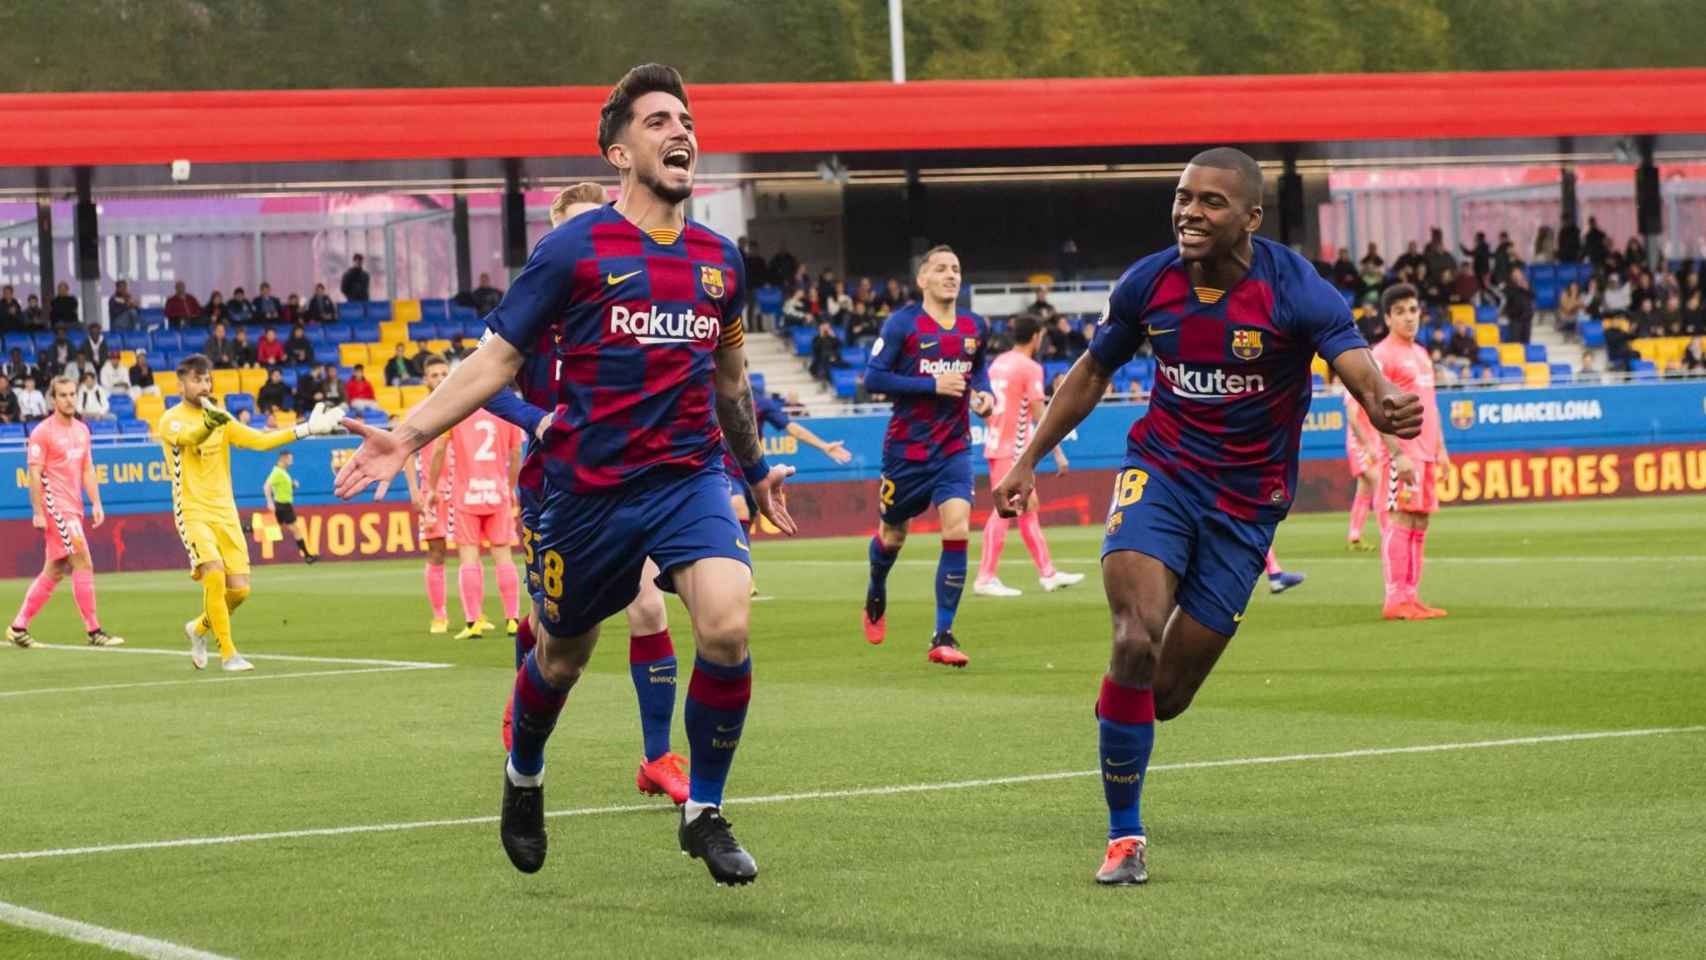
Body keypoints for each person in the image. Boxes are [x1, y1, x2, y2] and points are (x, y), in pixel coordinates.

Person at [332, 64, 793, 886]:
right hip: (586, 493)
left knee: (725, 626)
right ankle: (524, 774)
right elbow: (496, 360)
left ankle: (704, 811)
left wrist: (753, 472)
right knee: (561, 657)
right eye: (657, 122)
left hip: (688, 479)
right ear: (620, 152)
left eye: (684, 118)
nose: (679, 131)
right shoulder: (573, 249)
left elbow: (729, 384)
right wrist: (405, 436)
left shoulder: (722, 262)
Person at [989, 148, 1422, 887]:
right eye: (1183, 197)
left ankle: (1118, 714)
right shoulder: (1147, 283)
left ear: (1250, 217)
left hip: (1248, 509)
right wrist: (1026, 459)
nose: (1190, 211)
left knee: (1163, 697)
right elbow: (1092, 372)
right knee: (1133, 637)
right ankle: (1125, 838)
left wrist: (1381, 402)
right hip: (1159, 474)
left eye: (1211, 202)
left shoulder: (1296, 288)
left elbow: (1353, 362)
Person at [159, 354, 342, 672]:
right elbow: (188, 438)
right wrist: (206, 425)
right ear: (180, 384)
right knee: (214, 573)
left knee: (240, 590)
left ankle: (199, 628)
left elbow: (260, 441)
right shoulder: (171, 420)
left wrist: (306, 429)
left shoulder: (222, 418)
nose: (203, 385)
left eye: (206, 379)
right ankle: (229, 654)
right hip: (192, 510)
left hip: (225, 511)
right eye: (195, 379)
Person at [861, 245, 994, 666]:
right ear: (922, 279)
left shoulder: (976, 326)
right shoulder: (903, 325)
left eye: (956, 268)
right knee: (892, 537)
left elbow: (979, 367)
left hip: (954, 448)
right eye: (941, 269)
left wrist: (983, 394)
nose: (951, 275)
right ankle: (876, 586)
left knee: (957, 528)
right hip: (906, 452)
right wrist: (930, 386)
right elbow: (873, 377)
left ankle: (943, 635)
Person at [6, 377, 126, 649]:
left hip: (74, 507)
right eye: (63, 395)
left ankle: (18, 626)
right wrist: (38, 511)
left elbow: (87, 468)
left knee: (55, 569)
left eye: (72, 394)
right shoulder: (42, 432)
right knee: (83, 561)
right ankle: (94, 631)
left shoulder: (82, 430)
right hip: (56, 509)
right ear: (53, 400)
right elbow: (34, 474)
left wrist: (96, 502)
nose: (69, 399)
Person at [973, 312, 1080, 597]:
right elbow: (1040, 415)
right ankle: (985, 577)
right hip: (1014, 450)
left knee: (1028, 507)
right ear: (1036, 337)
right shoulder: (1029, 367)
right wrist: (1058, 452)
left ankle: (1048, 573)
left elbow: (988, 407)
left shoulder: (999, 363)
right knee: (1005, 509)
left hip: (999, 444)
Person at [1371, 285, 1451, 621]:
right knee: (1401, 519)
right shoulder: (1382, 355)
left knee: (1420, 520)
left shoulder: (1421, 353)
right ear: (1388, 317)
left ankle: (1412, 597)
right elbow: (1375, 405)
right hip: (1403, 451)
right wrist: (1396, 453)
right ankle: (1395, 598)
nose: (1409, 317)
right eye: (1400, 311)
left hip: (1426, 452)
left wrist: (1442, 450)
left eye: (1413, 310)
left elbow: (1431, 406)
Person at [430, 407, 525, 639]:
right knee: (503, 555)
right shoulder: (508, 412)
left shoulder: (458, 411)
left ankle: (473, 622)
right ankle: (512, 620)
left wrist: (432, 487)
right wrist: (511, 487)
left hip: (466, 494)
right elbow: (515, 455)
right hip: (496, 493)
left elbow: (439, 449)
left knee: (469, 556)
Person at [400, 355, 458, 634]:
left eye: (444, 374)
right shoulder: (416, 413)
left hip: (462, 488)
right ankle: (439, 615)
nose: (440, 379)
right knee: (436, 552)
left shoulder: (464, 407)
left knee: (474, 551)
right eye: (434, 375)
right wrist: (414, 489)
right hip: (431, 493)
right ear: (425, 380)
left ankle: (475, 614)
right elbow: (406, 453)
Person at [263, 450, 316, 564]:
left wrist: (293, 485)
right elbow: (267, 486)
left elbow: (282, 486)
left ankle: (308, 556)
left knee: (289, 529)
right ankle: (308, 556)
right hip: (281, 506)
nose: (291, 461)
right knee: (269, 529)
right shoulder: (277, 472)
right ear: (283, 458)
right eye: (290, 458)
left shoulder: (282, 472)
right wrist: (269, 502)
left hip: (285, 505)